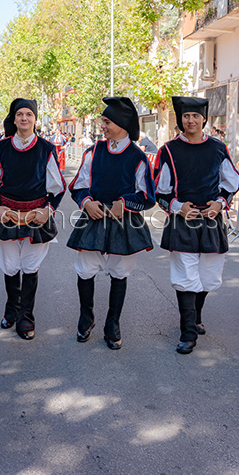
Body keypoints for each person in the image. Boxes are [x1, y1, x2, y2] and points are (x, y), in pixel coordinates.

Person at [154, 97, 239, 354]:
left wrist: (220, 202)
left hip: (212, 220)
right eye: (185, 116)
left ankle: (196, 316)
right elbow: (160, 189)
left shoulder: (217, 148)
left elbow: (232, 180)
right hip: (184, 220)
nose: (190, 121)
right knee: (185, 275)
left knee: (207, 276)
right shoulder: (169, 150)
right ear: (180, 119)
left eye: (195, 116)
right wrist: (178, 206)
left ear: (204, 118)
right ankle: (187, 332)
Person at [67, 97, 156, 350]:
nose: (102, 126)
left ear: (122, 123)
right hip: (93, 217)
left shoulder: (138, 157)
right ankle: (86, 317)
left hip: (123, 222)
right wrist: (86, 203)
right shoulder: (93, 152)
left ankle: (112, 323)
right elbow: (78, 186)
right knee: (85, 269)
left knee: (120, 272)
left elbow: (147, 196)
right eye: (103, 121)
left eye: (106, 121)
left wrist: (125, 203)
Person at [0, 100, 64, 340]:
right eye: (20, 114)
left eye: (29, 114)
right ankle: (12, 308)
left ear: (35, 119)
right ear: (14, 119)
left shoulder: (46, 148)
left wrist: (48, 210)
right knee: (9, 266)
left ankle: (26, 316)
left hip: (36, 216)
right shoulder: (2, 147)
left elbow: (58, 188)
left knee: (30, 267)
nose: (24, 118)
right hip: (7, 214)